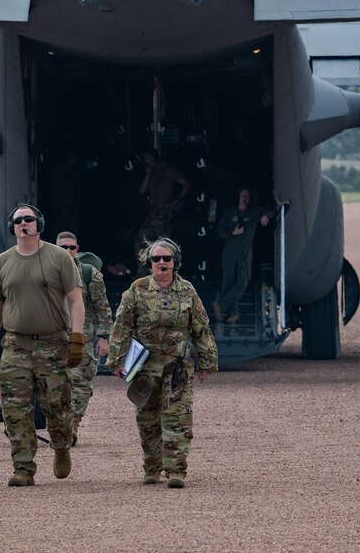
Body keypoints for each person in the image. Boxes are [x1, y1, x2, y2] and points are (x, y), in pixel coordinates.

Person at [0, 204, 86, 487]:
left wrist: (77, 339)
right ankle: (23, 466)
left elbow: (76, 300)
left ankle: (61, 446)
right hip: (16, 345)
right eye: (18, 220)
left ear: (39, 223)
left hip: (53, 344)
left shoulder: (59, 257)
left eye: (29, 219)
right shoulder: (1, 262)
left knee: (58, 406)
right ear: (11, 227)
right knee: (15, 409)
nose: (23, 224)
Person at [108, 238, 218, 488]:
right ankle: (152, 467)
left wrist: (207, 362)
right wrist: (115, 360)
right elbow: (122, 327)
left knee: (178, 417)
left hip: (178, 367)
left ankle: (176, 470)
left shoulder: (188, 291)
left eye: (166, 258)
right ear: (149, 263)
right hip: (146, 368)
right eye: (156, 259)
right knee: (147, 419)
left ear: (175, 262)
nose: (161, 263)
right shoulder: (137, 290)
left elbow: (201, 328)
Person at [55, 231, 112, 444]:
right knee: (54, 386)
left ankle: (71, 428)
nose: (68, 251)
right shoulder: (46, 273)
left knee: (79, 386)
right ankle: (60, 428)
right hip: (54, 339)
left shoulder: (90, 274)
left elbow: (102, 307)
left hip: (83, 340)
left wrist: (104, 337)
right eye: (63, 248)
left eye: (71, 247)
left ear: (77, 250)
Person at [214, 187, 271, 325]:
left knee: (243, 282)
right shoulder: (229, 212)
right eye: (243, 195)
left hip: (245, 253)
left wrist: (265, 215)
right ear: (238, 197)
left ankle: (220, 305)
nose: (245, 198)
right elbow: (219, 230)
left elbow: (270, 209)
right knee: (228, 283)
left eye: (247, 196)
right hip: (229, 252)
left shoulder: (254, 212)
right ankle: (234, 313)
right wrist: (232, 233)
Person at [134, 150, 190, 267]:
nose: (147, 161)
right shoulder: (150, 173)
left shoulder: (169, 170)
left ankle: (166, 270)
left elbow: (186, 184)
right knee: (141, 241)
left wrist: (176, 200)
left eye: (149, 158)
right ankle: (143, 272)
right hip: (151, 211)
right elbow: (142, 191)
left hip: (163, 210)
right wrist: (148, 174)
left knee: (163, 243)